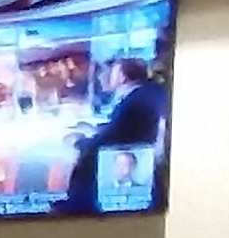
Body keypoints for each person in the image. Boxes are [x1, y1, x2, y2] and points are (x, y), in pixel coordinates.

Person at [68, 53, 169, 216]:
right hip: (136, 150)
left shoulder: (135, 100)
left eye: (113, 72)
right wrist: (96, 129)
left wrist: (80, 142)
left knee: (83, 160)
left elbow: (113, 136)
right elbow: (122, 127)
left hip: (130, 153)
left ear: (122, 76)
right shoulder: (143, 94)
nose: (107, 76)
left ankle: (76, 206)